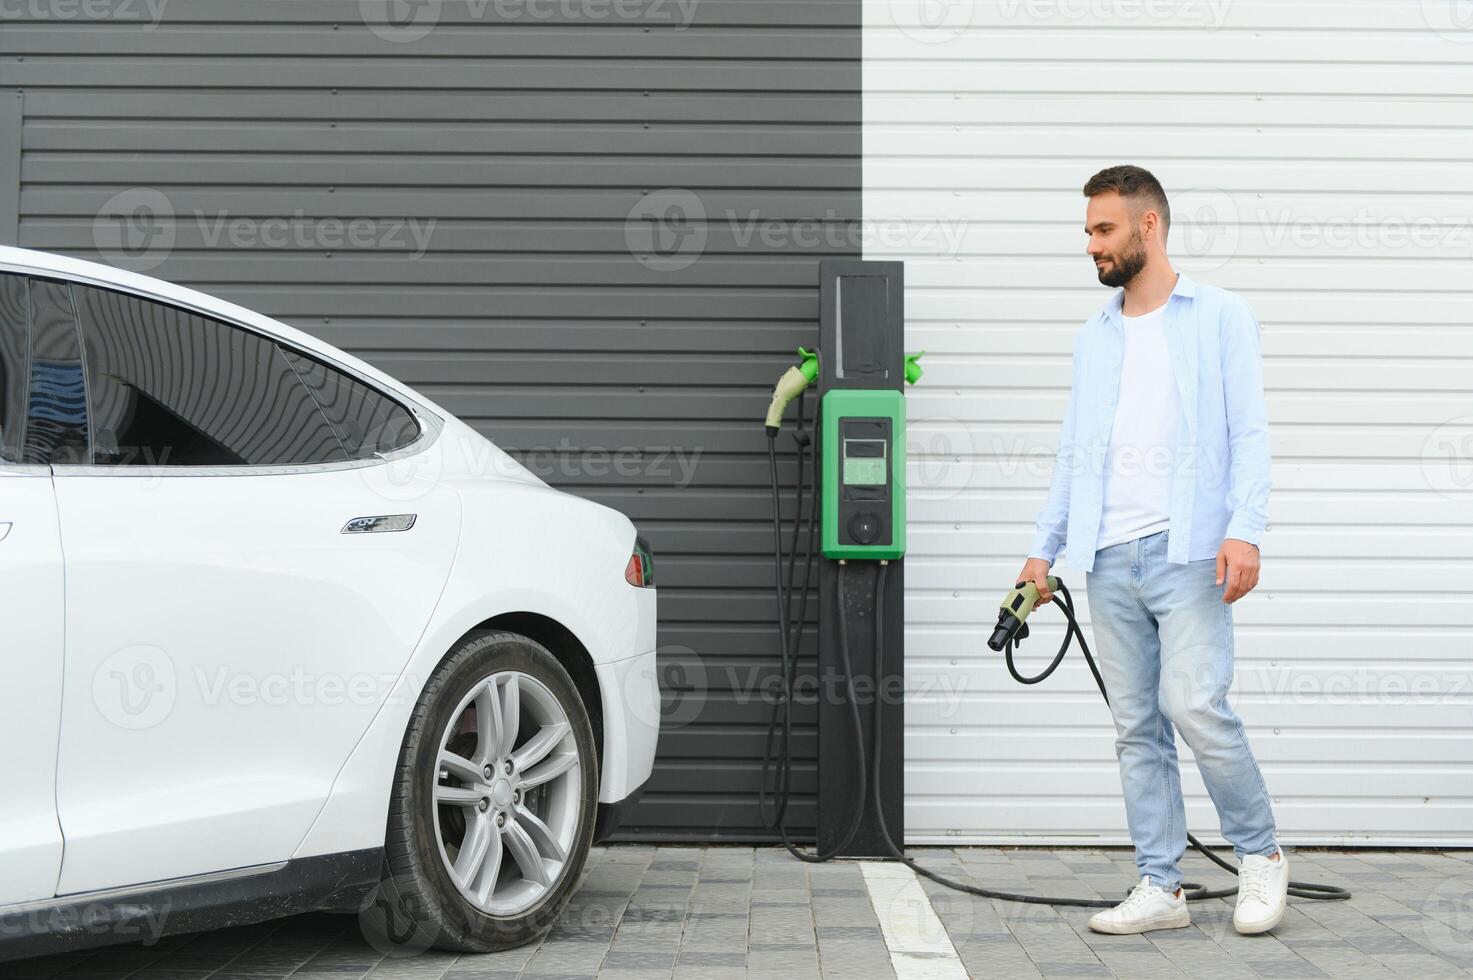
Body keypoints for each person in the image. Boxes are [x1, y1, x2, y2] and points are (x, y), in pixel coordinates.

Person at [1016, 165, 1288, 935]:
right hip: (1106, 555)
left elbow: (1250, 431)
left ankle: (1259, 857)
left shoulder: (1219, 315)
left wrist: (1245, 528)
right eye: (1088, 232)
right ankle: (1160, 887)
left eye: (1103, 230)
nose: (1091, 245)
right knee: (1136, 726)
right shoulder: (1093, 335)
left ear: (1149, 226)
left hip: (1190, 548)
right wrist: (1043, 550)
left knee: (1194, 706)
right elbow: (1075, 450)